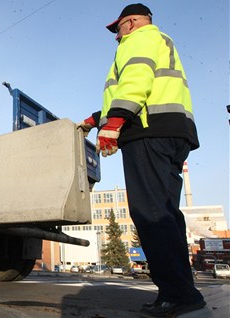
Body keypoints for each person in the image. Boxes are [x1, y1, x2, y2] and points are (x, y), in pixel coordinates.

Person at [78, 3, 205, 317]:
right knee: (164, 213)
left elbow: (136, 80)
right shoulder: (160, 40)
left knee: (150, 213)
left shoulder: (137, 40)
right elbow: (147, 88)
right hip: (172, 132)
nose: (116, 36)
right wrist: (97, 118)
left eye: (118, 28)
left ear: (131, 22)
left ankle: (177, 294)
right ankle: (181, 292)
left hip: (148, 132)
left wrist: (116, 121)